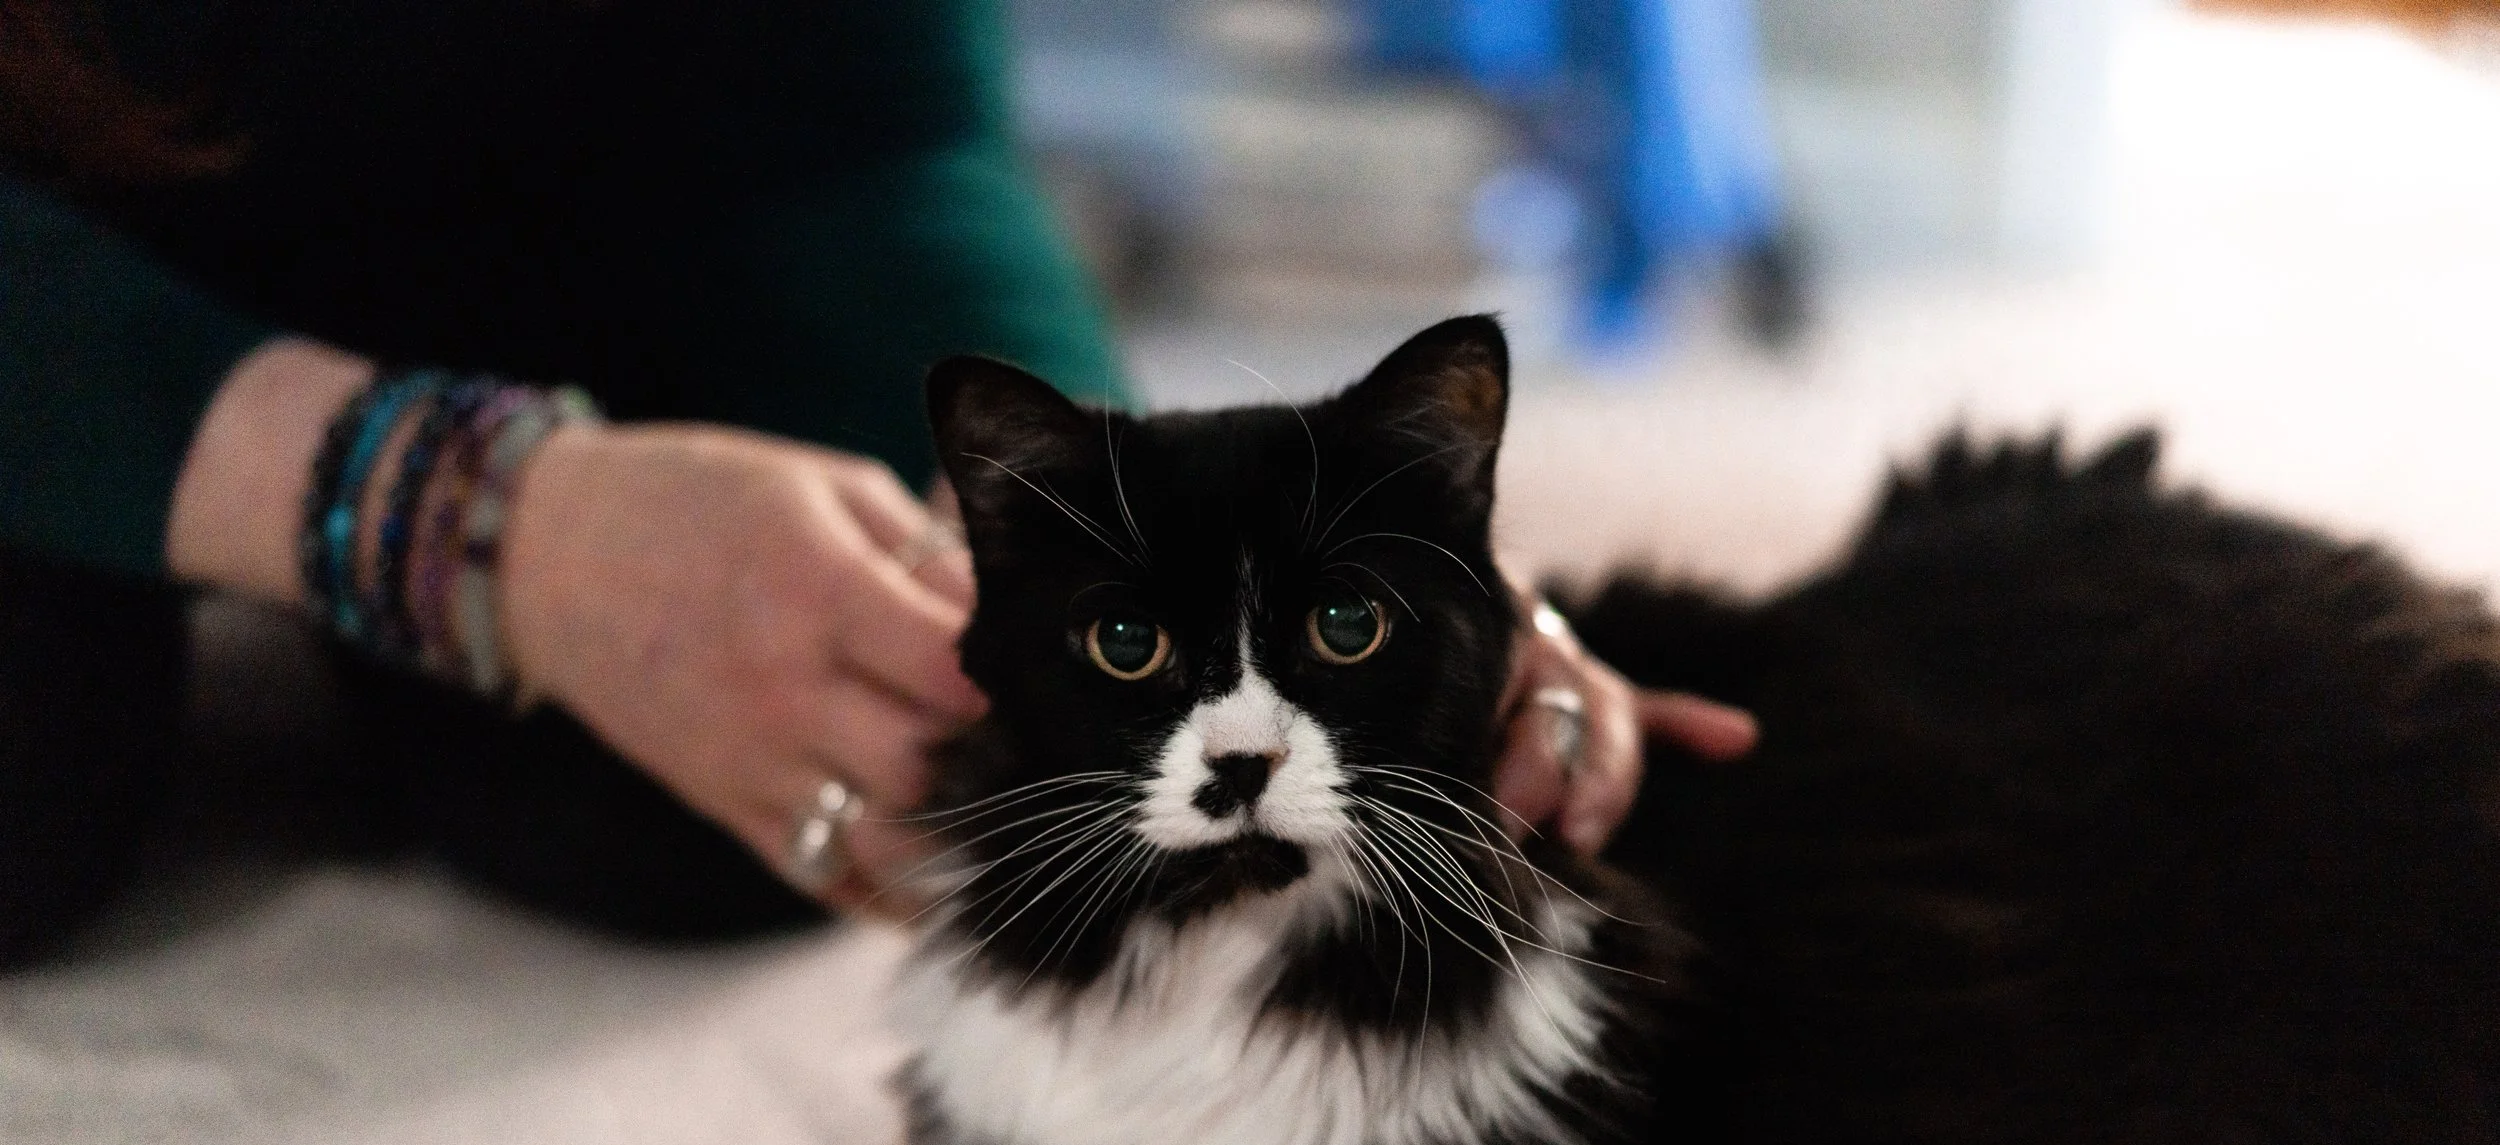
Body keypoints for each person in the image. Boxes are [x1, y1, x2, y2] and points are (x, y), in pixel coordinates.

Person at [0, 0, 1754, 970]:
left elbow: (872, 131)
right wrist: (458, 513)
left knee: (775, 785)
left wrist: (1186, 540)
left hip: (487, 171)